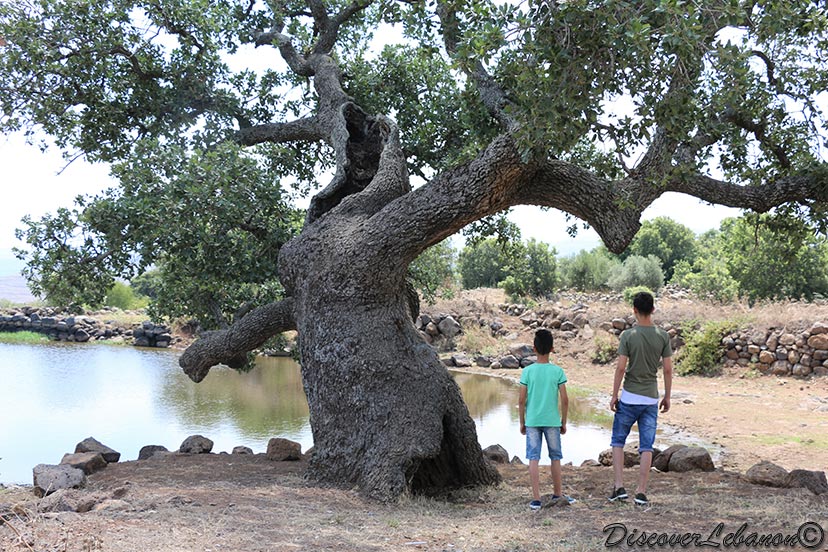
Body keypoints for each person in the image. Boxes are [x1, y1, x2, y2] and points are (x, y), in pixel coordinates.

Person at [608, 291, 673, 506]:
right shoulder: (662, 336)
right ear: (653, 309)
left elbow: (620, 368)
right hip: (650, 398)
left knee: (618, 441)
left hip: (629, 397)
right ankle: (641, 492)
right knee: (647, 445)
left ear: (634, 311)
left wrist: (614, 394)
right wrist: (667, 396)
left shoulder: (628, 336)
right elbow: (667, 370)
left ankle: (619, 487)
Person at [519, 328, 574, 511]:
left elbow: (521, 400)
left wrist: (522, 422)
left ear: (534, 348)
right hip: (552, 421)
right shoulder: (557, 371)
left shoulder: (527, 372)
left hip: (533, 421)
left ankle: (536, 499)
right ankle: (558, 494)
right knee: (555, 457)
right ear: (552, 349)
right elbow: (565, 399)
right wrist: (563, 421)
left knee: (533, 458)